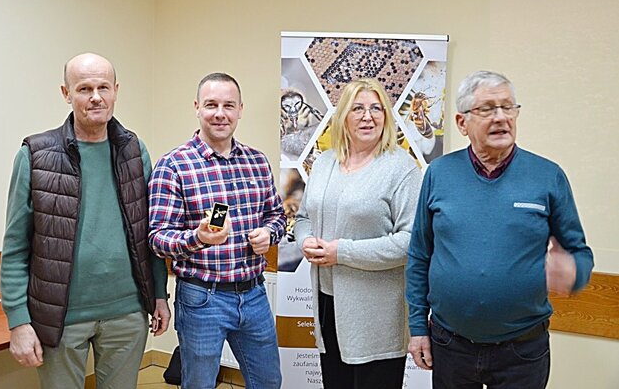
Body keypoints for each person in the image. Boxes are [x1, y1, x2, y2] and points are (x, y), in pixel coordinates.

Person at [405, 70, 595, 389]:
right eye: (487, 109)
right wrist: (417, 328)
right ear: (462, 122)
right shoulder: (439, 174)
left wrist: (574, 271)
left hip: (522, 351)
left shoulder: (548, 176)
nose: (501, 117)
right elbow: (419, 255)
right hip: (451, 346)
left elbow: (579, 252)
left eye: (508, 107)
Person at [0, 52, 170, 389]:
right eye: (84, 89)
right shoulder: (35, 155)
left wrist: (159, 294)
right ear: (66, 93)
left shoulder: (135, 151)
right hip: (60, 317)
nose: (95, 97)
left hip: (127, 313)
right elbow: (16, 246)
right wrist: (18, 321)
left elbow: (147, 231)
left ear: (116, 90)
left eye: (103, 87)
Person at [148, 72, 286, 389]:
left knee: (269, 381)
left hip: (254, 294)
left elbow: (277, 215)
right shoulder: (174, 165)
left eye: (228, 105)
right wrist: (197, 238)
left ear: (240, 110)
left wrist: (270, 233)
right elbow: (157, 238)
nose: (220, 113)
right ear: (197, 107)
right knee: (199, 384)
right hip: (201, 298)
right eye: (211, 105)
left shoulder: (257, 161)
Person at [294, 78, 422, 389]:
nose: (368, 117)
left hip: (376, 314)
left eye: (376, 108)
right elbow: (303, 217)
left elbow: (411, 242)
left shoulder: (401, 168)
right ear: (343, 116)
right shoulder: (324, 162)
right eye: (358, 108)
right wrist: (305, 240)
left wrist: (342, 252)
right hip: (328, 304)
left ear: (386, 116)